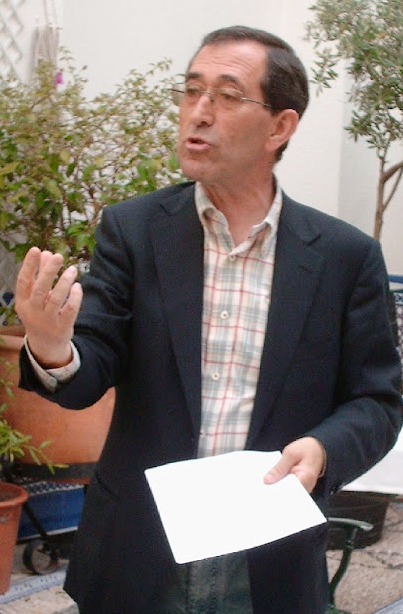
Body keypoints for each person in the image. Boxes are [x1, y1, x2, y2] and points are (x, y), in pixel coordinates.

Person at [15, 25, 402, 614]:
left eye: (226, 95)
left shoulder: (344, 257)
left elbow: (377, 400)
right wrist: (52, 347)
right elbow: (90, 369)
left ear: (280, 127)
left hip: (268, 554)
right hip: (140, 548)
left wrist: (323, 449)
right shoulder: (135, 230)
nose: (199, 112)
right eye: (192, 90)